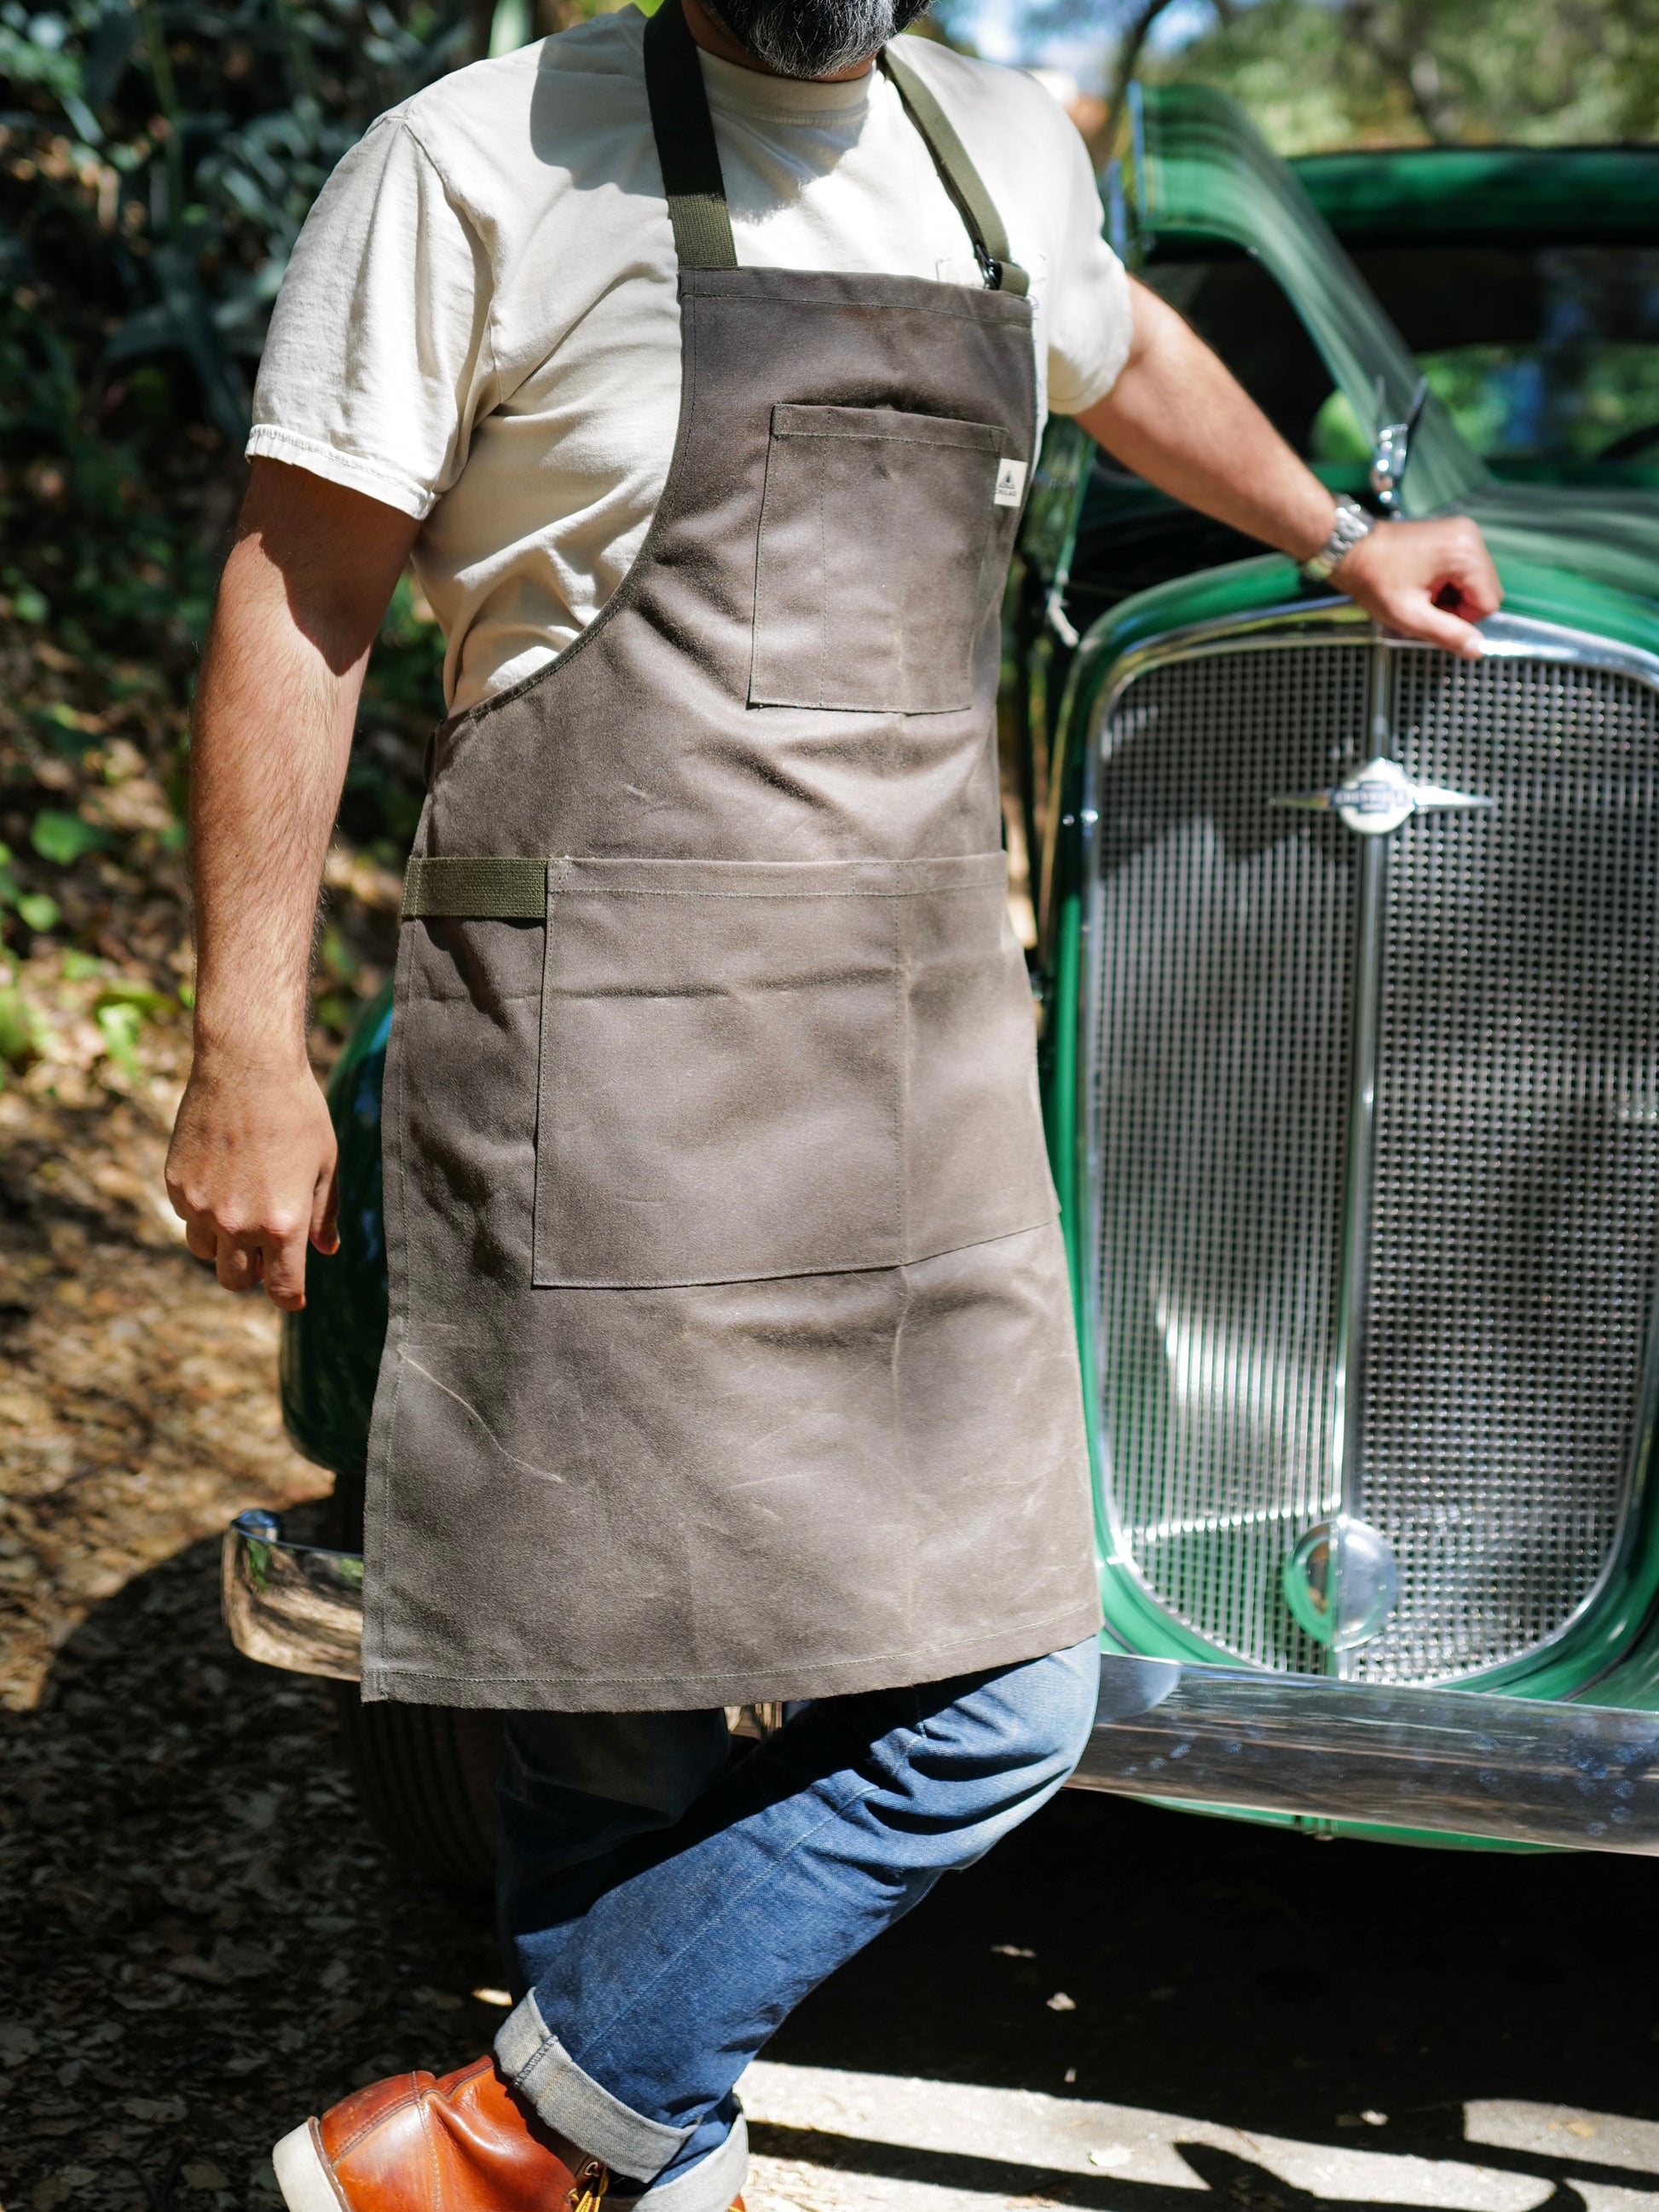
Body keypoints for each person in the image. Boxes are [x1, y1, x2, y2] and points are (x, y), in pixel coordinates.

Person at [165, 0, 1501, 2203]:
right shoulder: (474, 159)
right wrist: (245, 1035)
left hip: (912, 1077)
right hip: (600, 1066)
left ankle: (512, 2129)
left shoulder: (996, 156)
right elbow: (300, 585)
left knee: (1012, 1692)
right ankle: (632, 2160)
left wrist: (1332, 529)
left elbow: (1122, 350)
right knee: (611, 1736)